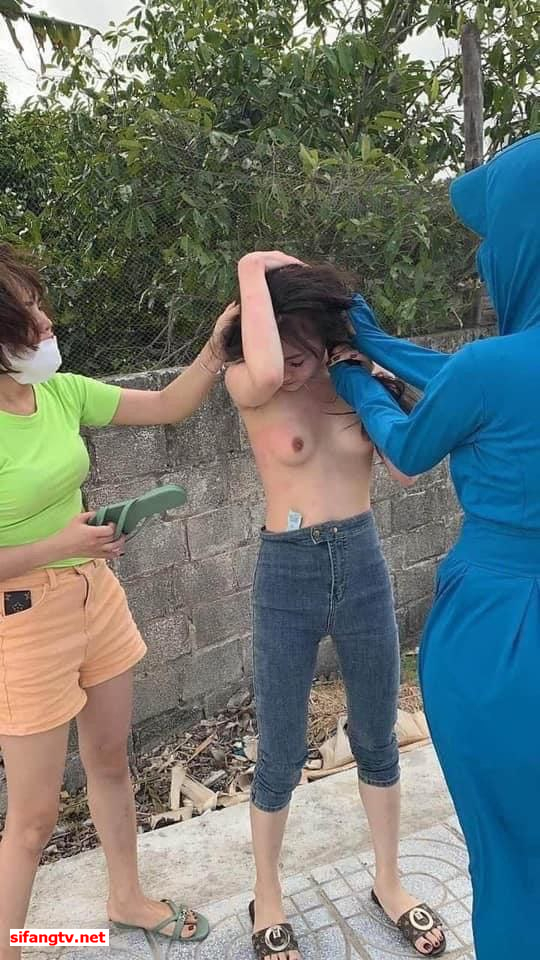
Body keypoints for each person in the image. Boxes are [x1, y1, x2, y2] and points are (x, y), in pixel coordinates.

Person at [329, 132, 540, 958]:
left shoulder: (490, 369)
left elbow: (414, 445)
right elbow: (482, 381)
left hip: (501, 635)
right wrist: (381, 345)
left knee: (513, 854)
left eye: (491, 238)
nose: (483, 260)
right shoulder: (491, 369)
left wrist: (358, 383)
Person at [0, 242, 237, 959]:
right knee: (34, 819)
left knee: (110, 762)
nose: (46, 323)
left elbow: (167, 406)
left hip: (95, 595)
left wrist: (216, 350)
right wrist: (60, 543)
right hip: (22, 622)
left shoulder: (60, 392)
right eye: (27, 314)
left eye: (39, 305)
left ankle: (126, 898)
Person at [221, 252, 446, 960]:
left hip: (362, 561)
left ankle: (389, 881)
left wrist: (371, 378)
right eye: (279, 356)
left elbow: (407, 468)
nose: (289, 372)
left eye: (302, 357)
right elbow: (264, 366)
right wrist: (254, 266)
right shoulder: (250, 383)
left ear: (326, 341)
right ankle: (268, 895)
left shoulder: (350, 383)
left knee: (377, 734)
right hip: (286, 574)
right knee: (281, 748)